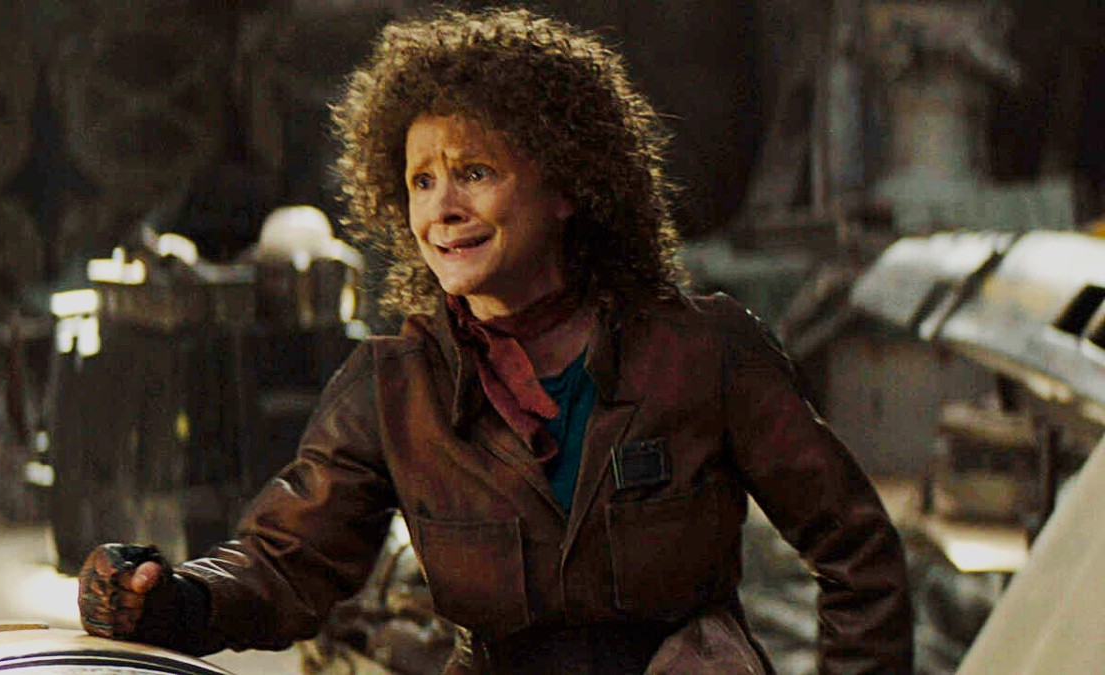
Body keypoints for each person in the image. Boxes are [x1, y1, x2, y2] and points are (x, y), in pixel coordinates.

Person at [78, 8, 914, 673]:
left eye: (475, 172)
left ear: (567, 186)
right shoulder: (394, 387)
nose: (443, 209)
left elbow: (859, 552)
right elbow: (283, 564)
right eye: (422, 181)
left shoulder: (703, 352)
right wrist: (170, 596)